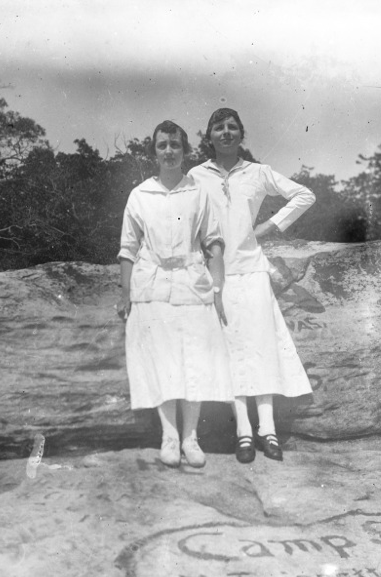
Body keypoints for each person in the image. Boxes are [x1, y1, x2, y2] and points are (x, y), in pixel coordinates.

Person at [188, 108, 315, 463]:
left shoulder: (258, 173)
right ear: (209, 134)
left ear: (241, 134)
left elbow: (304, 195)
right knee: (229, 351)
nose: (226, 132)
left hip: (252, 270)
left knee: (261, 348)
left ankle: (268, 431)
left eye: (232, 127)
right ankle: (244, 433)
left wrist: (270, 226)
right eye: (218, 127)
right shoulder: (196, 175)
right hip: (216, 273)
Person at [117, 120, 233, 468]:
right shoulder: (140, 195)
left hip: (191, 282)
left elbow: (213, 243)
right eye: (162, 145)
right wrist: (125, 293)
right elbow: (127, 248)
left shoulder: (198, 192)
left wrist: (217, 289)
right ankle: (169, 436)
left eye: (175, 146)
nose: (169, 151)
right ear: (154, 151)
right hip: (151, 284)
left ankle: (190, 437)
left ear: (185, 151)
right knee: (161, 359)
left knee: (194, 358)